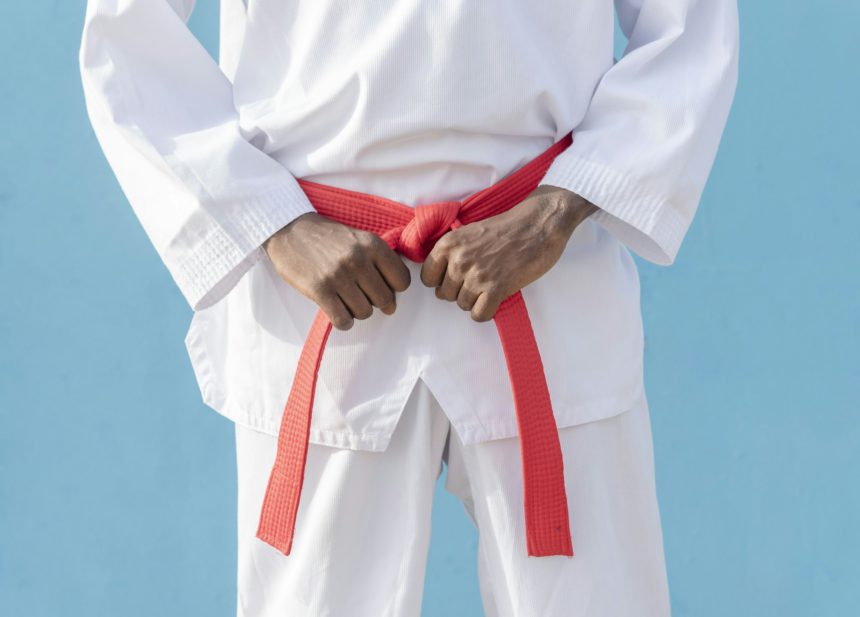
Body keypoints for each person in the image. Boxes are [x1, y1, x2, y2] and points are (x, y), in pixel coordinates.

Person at [79, 0, 739, 615]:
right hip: (324, 289)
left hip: (545, 279)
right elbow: (124, 34)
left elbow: (693, 27)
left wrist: (557, 212)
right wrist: (273, 223)